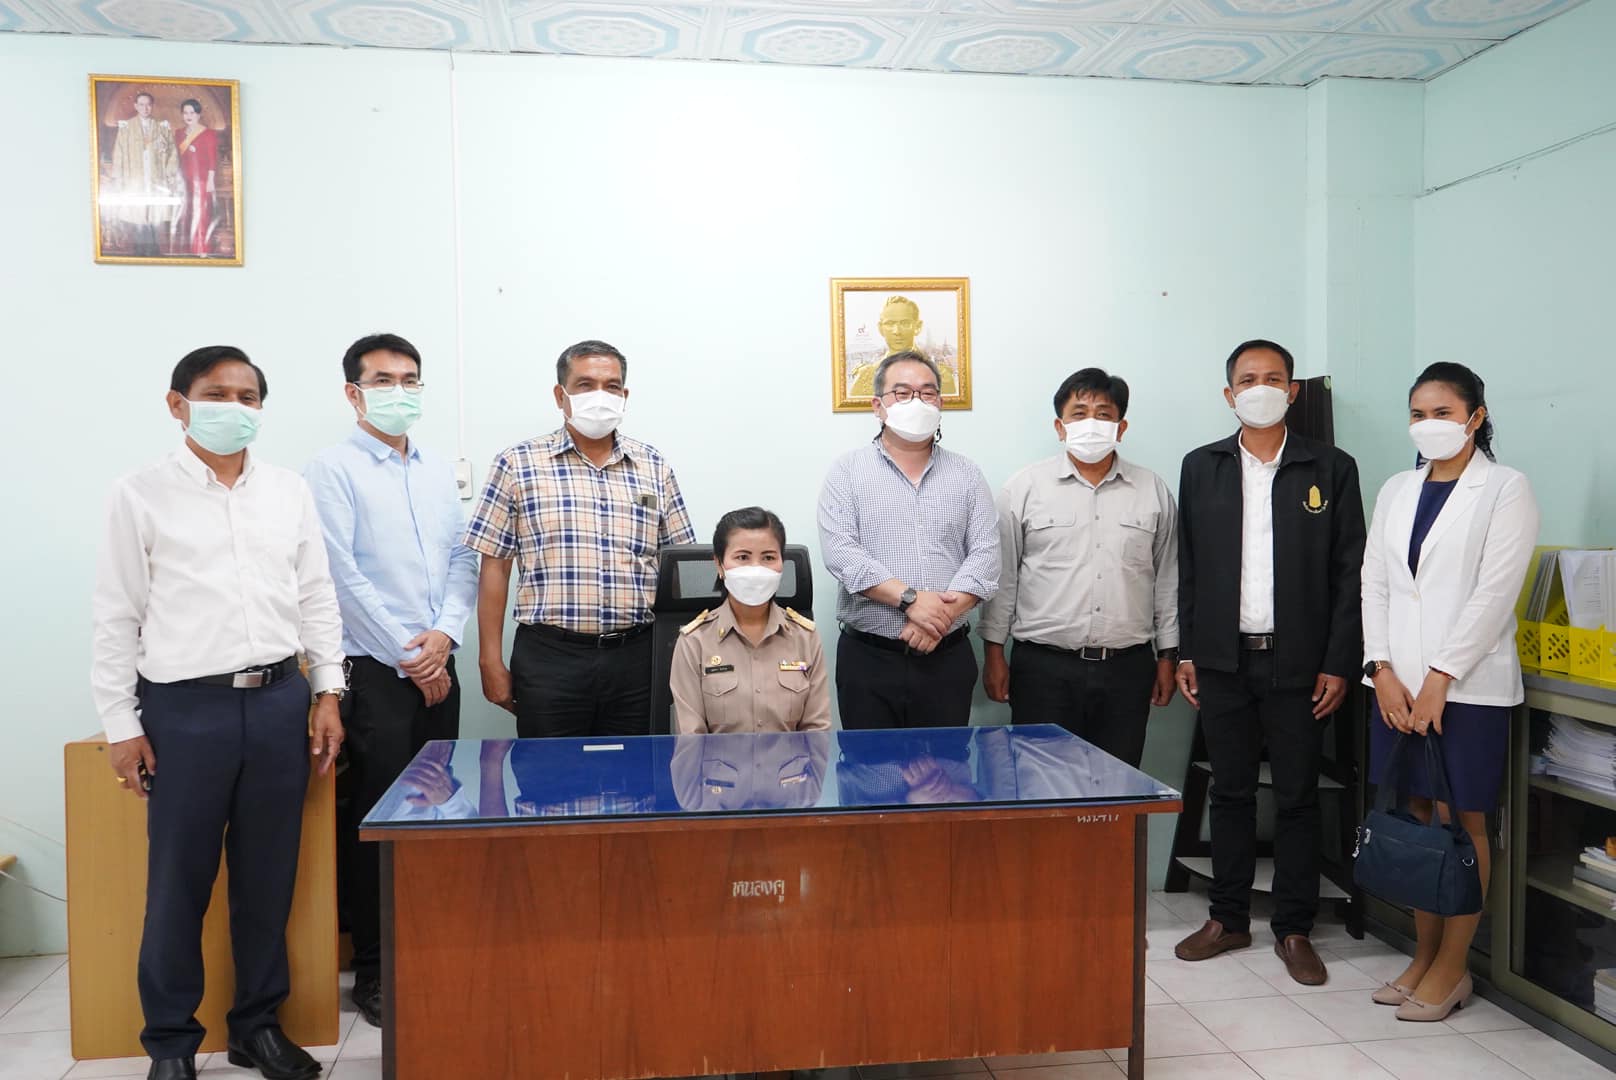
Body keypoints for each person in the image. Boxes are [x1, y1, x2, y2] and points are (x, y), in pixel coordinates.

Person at [91, 347, 346, 1080]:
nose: (234, 407)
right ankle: (171, 1041)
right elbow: (116, 615)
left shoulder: (288, 491)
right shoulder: (139, 493)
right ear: (178, 404)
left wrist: (328, 691)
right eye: (216, 394)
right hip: (184, 708)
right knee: (179, 882)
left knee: (268, 878)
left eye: (247, 396)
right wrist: (121, 725)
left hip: (278, 701)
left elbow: (316, 595)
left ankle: (256, 1027)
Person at [1172, 339, 1365, 987]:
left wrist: (1339, 662)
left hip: (1301, 666)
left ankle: (1294, 928)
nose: (1261, 388)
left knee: (1297, 798)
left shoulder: (1330, 468)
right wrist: (1189, 651)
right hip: (1222, 661)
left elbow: (1350, 574)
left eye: (1273, 378)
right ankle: (1227, 918)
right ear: (1229, 394)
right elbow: (1189, 567)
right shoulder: (1202, 466)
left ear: (1292, 391)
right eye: (1248, 379)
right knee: (1229, 793)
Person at [303, 332, 478, 1029]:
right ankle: (375, 970)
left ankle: (427, 948)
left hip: (438, 660)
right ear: (354, 393)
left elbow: (464, 559)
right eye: (382, 380)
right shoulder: (332, 469)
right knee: (378, 820)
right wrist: (411, 654)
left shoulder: (436, 470)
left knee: (438, 809)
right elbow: (339, 575)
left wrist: (445, 637)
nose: (398, 391)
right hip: (376, 671)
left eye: (409, 379)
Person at [1360, 363, 1538, 1021]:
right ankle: (1423, 955)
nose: (1428, 424)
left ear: (1475, 417)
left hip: (1467, 687)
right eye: (1418, 414)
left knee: (1462, 819)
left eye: (1442, 412)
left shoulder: (1505, 489)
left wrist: (1440, 677)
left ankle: (1453, 967)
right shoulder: (1396, 489)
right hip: (1396, 686)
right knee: (1415, 814)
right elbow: (1375, 584)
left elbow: (1495, 593)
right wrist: (1380, 669)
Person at [465, 339, 696, 738]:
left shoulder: (653, 466)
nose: (600, 396)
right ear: (561, 395)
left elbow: (680, 568)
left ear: (624, 396)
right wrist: (489, 659)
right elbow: (495, 568)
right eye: (586, 385)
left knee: (636, 772)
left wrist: (685, 657)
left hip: (639, 658)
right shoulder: (517, 463)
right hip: (550, 658)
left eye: (611, 386)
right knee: (549, 773)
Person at [979, 367, 1179, 767]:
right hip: (1043, 668)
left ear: (1121, 428)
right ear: (1060, 426)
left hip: (1127, 669)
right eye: (1079, 413)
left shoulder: (1152, 490)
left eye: (1103, 414)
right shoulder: (1024, 488)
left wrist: (1167, 656)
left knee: (1119, 783)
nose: (1091, 423)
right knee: (1040, 785)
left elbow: (1167, 579)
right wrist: (994, 654)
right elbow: (1004, 580)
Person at [817, 350, 999, 729]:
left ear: (940, 404)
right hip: (869, 660)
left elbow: (985, 556)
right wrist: (911, 600)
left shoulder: (967, 474)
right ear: (878, 406)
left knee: (945, 766)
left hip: (947, 658)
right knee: (871, 765)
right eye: (902, 393)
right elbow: (842, 554)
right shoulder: (847, 472)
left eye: (927, 393)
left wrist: (938, 618)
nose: (916, 401)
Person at [670, 507, 830, 734]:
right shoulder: (694, 641)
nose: (756, 569)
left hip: (791, 760)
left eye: (768, 558)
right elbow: (690, 739)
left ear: (782, 564)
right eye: (743, 557)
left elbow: (817, 732)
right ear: (719, 564)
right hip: (718, 760)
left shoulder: (805, 637)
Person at [108, 90, 179, 257]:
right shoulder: (126, 126)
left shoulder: (162, 126)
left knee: (153, 212)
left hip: (156, 176)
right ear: (136, 106)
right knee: (138, 212)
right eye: (141, 104)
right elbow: (119, 153)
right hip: (135, 176)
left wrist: (170, 174)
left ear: (152, 106)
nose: (145, 108)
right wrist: (118, 177)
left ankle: (154, 249)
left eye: (148, 105)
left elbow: (172, 152)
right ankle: (140, 248)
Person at [847, 296, 959, 398]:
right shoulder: (865, 376)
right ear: (881, 329)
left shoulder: (942, 376)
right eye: (890, 324)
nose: (897, 331)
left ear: (918, 327)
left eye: (905, 323)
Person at [175, 98, 219, 258]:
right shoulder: (179, 133)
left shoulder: (208, 134)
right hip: (184, 180)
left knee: (201, 215)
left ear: (199, 115)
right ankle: (188, 249)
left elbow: (213, 159)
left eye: (192, 113)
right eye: (185, 112)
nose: (188, 116)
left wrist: (211, 180)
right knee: (186, 214)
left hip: (201, 180)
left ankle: (201, 250)